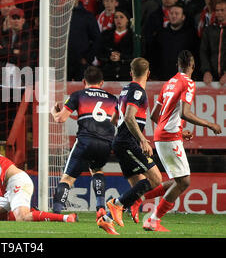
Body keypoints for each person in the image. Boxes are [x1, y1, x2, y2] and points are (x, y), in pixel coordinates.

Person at [144, 50, 222, 231]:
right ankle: (153, 219)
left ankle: (135, 199)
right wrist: (210, 124)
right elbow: (184, 113)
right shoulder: (188, 83)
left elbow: (155, 116)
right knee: (184, 182)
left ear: (177, 65)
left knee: (177, 180)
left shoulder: (169, 83)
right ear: (192, 66)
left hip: (161, 135)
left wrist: (179, 131)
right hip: (169, 136)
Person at [98, 57, 163, 235]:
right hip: (128, 142)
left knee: (140, 185)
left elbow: (114, 119)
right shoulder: (138, 92)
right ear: (148, 74)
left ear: (130, 72)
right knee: (156, 179)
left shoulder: (125, 90)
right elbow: (128, 117)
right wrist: (142, 139)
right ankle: (115, 204)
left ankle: (107, 220)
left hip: (122, 141)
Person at [50, 66, 118, 222]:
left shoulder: (78, 95)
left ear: (83, 81)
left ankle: (57, 211)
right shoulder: (113, 99)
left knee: (67, 179)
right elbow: (116, 121)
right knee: (97, 170)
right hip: (106, 142)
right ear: (102, 82)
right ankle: (101, 208)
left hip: (86, 140)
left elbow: (61, 119)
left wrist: (54, 112)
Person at [151, 3, 199, 81]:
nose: (173, 16)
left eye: (177, 14)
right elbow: (155, 56)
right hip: (163, 79)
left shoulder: (191, 35)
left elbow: (195, 56)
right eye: (171, 13)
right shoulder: (161, 34)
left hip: (184, 80)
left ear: (183, 17)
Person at [200, 0, 226, 85]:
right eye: (217, 10)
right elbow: (203, 52)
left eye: (222, 10)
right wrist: (206, 71)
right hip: (211, 78)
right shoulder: (208, 30)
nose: (219, 13)